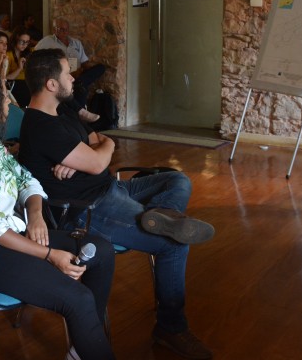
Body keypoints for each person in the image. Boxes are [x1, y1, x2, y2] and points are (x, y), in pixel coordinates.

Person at [19, 48, 215, 360]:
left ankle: (160, 214)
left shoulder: (62, 110)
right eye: (67, 73)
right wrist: (92, 155)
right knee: (174, 244)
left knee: (177, 180)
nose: (73, 77)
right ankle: (171, 327)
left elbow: (101, 141)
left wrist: (93, 151)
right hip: (87, 209)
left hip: (111, 187)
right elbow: (97, 159)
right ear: (51, 84)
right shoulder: (41, 126)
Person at [0, 69, 116, 360]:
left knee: (101, 251)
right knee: (77, 297)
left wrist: (37, 215)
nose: (9, 104)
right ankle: (89, 341)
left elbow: (28, 181)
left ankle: (83, 345)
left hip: (9, 232)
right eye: (4, 96)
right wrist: (49, 254)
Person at [34, 18, 105, 110]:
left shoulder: (76, 43)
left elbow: (85, 63)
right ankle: (80, 88)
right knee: (81, 87)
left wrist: (87, 71)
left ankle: (80, 82)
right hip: (61, 77)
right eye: (61, 29)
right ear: (54, 29)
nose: (64, 32)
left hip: (78, 74)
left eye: (66, 29)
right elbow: (34, 58)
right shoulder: (47, 41)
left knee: (101, 68)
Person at [6, 26, 32, 107]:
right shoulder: (8, 55)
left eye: (27, 42)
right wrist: (19, 68)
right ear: (15, 39)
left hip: (29, 83)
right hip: (14, 86)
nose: (24, 45)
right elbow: (6, 78)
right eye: (22, 41)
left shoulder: (30, 52)